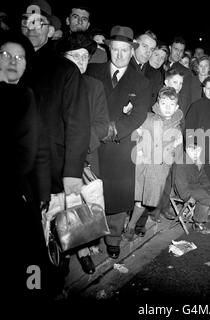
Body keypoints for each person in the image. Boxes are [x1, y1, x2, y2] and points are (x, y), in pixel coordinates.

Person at [86, 25, 151, 259]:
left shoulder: (140, 82)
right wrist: (94, 131)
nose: (120, 55)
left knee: (116, 195)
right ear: (109, 49)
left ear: (131, 51)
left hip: (120, 145)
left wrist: (114, 131)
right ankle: (90, 237)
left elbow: (139, 114)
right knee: (91, 192)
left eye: (125, 50)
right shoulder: (92, 72)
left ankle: (113, 237)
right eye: (116, 50)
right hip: (92, 144)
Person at [21, 0, 90, 199]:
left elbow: (78, 124)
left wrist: (72, 172)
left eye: (38, 22)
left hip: (48, 167)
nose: (31, 28)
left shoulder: (65, 71)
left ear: (50, 31)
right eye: (27, 21)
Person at [1, 31, 52, 301]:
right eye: (6, 55)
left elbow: (40, 148)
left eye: (20, 57)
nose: (14, 61)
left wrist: (44, 197)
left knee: (29, 262)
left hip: (19, 193)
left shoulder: (26, 95)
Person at [58, 31, 110, 274]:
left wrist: (78, 143)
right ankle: (65, 252)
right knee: (64, 208)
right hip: (59, 157)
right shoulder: (54, 82)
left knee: (85, 209)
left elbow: (101, 125)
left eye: (84, 57)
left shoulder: (94, 86)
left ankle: (83, 250)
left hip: (86, 157)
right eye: (74, 56)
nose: (80, 62)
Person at [124, 86, 183, 241]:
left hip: (158, 170)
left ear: (177, 107)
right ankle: (126, 223)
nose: (168, 108)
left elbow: (176, 152)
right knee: (131, 196)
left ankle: (131, 225)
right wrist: (138, 145)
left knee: (143, 200)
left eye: (171, 105)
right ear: (158, 103)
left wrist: (176, 145)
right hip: (141, 165)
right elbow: (133, 132)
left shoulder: (176, 125)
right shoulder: (148, 118)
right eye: (164, 104)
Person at [173, 143, 210, 234]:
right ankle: (198, 224)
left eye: (198, 152)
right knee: (204, 198)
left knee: (209, 192)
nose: (196, 155)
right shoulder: (181, 163)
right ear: (187, 151)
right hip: (184, 190)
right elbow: (180, 184)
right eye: (194, 152)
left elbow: (203, 177)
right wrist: (187, 197)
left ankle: (202, 215)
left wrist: (207, 187)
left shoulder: (196, 161)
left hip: (194, 186)